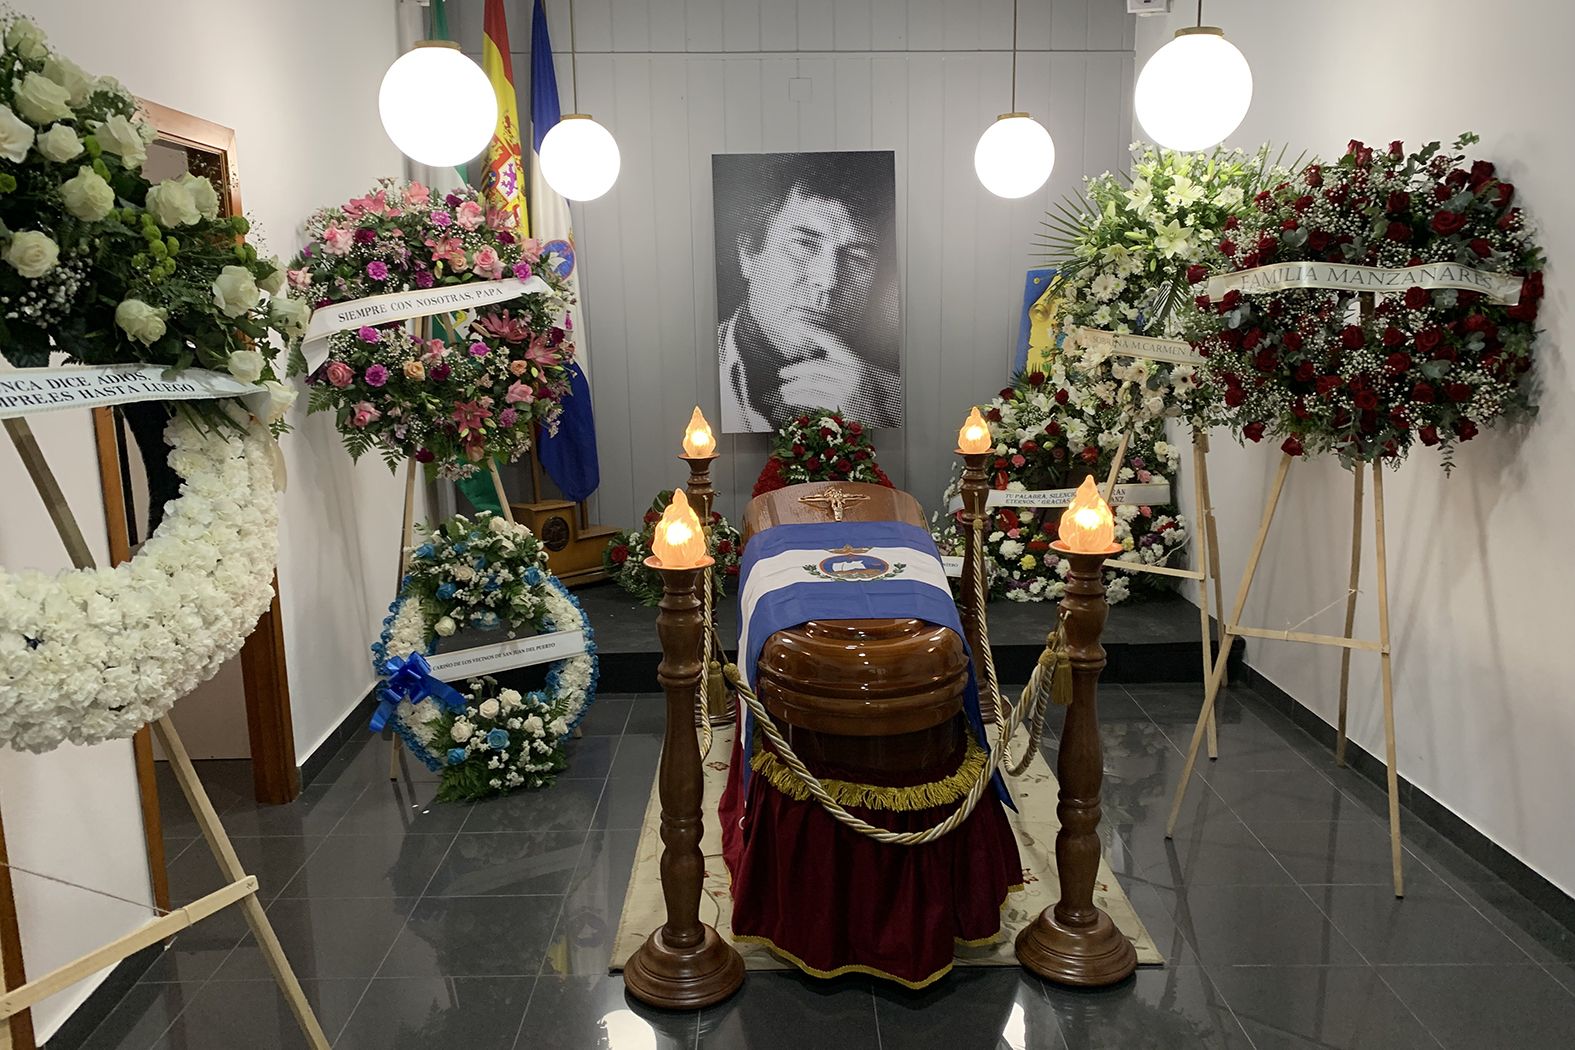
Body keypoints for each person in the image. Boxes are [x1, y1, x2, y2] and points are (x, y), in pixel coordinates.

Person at [718, 156, 901, 431]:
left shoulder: (894, 400)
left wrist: (871, 421)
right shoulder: (690, 373)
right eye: (804, 244)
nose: (829, 280)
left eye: (857, 257)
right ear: (748, 255)